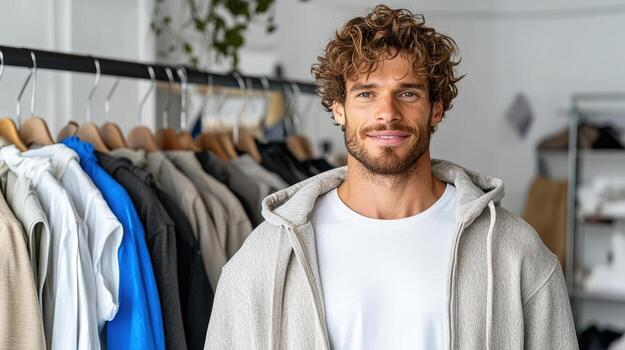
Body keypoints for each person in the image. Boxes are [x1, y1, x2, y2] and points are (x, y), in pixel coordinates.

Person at [204, 5, 578, 350]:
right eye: (366, 93)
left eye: (408, 93)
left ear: (436, 109)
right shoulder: (265, 256)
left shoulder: (514, 251)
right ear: (339, 109)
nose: (387, 112)